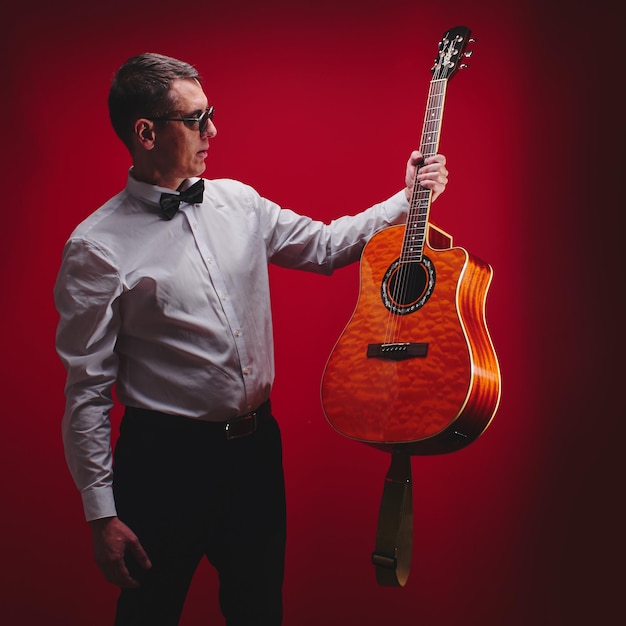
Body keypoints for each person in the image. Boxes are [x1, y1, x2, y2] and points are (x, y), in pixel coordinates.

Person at [54, 52, 449, 626]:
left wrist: (407, 197)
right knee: (148, 613)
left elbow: (326, 246)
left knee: (259, 610)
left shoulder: (237, 201)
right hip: (165, 463)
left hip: (256, 452)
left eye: (210, 114)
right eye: (196, 119)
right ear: (145, 132)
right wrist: (100, 515)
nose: (213, 130)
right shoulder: (95, 248)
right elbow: (87, 389)